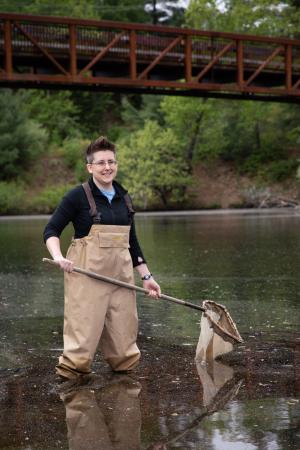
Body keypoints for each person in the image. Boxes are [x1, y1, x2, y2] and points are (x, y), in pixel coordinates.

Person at [43, 136, 161, 380]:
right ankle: (72, 386)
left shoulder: (124, 198)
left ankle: (124, 386)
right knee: (81, 344)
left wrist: (146, 277)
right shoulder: (77, 196)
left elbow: (133, 242)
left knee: (124, 344)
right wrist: (58, 256)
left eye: (111, 162)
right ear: (90, 167)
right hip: (87, 280)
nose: (107, 167)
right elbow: (51, 231)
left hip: (121, 279)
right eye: (101, 163)